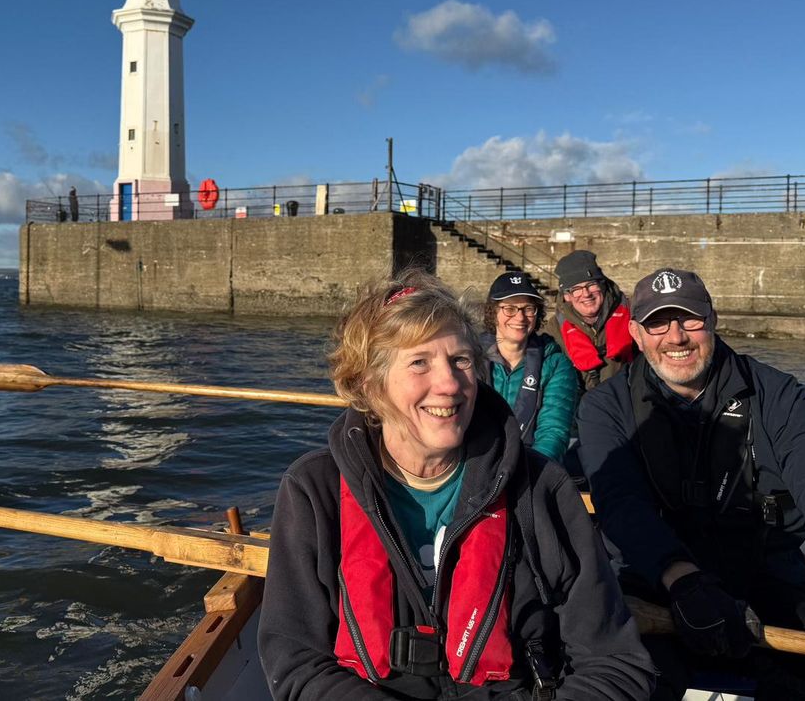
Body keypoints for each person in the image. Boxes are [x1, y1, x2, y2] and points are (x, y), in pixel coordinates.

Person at [258, 269, 654, 700]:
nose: (449, 384)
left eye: (461, 360)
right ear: (370, 387)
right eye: (419, 362)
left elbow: (614, 664)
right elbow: (297, 665)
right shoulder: (314, 492)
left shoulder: (542, 487)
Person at [577, 267, 805, 700]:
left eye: (689, 320)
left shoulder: (779, 395)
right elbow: (621, 503)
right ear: (637, 334)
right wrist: (683, 580)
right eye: (658, 323)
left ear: (712, 321)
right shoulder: (606, 407)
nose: (676, 337)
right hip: (656, 589)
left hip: (766, 586)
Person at [481, 270, 579, 463]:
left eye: (528, 308)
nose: (520, 318)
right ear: (493, 312)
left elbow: (553, 431)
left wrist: (530, 475)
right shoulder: (469, 358)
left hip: (530, 468)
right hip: (478, 466)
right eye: (509, 309)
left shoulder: (556, 365)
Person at [544, 251, 636, 396]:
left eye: (591, 284)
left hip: (626, 402)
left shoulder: (633, 315)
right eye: (576, 289)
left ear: (603, 284)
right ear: (567, 296)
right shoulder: (553, 329)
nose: (586, 294)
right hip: (580, 409)